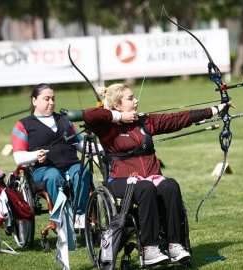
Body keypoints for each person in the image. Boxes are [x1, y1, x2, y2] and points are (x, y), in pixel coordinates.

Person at [82, 83, 233, 265]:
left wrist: (215, 109)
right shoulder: (107, 128)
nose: (136, 100)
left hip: (150, 179)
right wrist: (119, 117)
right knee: (145, 187)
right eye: (130, 98)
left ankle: (175, 245)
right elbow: (88, 115)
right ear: (117, 105)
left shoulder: (145, 122)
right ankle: (149, 249)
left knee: (170, 185)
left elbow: (178, 119)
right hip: (122, 181)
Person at [11, 83, 90, 229]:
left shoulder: (65, 120)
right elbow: (19, 157)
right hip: (45, 169)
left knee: (82, 171)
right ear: (34, 100)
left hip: (71, 165)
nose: (52, 102)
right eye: (46, 99)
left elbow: (81, 145)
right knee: (54, 176)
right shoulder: (23, 125)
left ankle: (80, 215)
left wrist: (103, 148)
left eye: (53, 98)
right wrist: (36, 155)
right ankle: (61, 217)